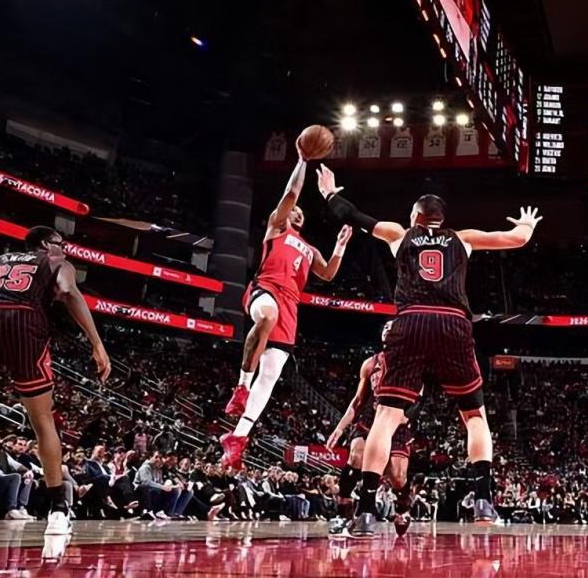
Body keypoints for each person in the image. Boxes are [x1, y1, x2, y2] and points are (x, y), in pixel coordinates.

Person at [316, 164, 542, 538]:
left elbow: (352, 215)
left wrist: (329, 192)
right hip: (453, 323)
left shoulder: (399, 234)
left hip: (410, 321)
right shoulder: (463, 238)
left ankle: (367, 511)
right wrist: (528, 224)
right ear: (441, 218)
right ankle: (483, 499)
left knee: (385, 417)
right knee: (475, 416)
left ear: (416, 217)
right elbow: (516, 240)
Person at [0, 226, 111, 543]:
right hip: (24, 320)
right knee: (42, 420)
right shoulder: (55, 261)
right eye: (61, 244)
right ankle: (58, 510)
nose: (65, 249)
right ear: (46, 244)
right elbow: (69, 293)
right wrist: (97, 344)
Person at [220, 137, 353, 468]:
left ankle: (237, 437)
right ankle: (241, 387)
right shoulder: (277, 227)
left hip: (291, 307)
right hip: (265, 288)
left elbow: (327, 273)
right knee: (266, 317)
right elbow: (291, 193)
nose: (296, 210)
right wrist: (302, 162)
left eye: (300, 211)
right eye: (293, 208)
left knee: (270, 376)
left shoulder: (309, 249)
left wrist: (339, 247)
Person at [326, 322, 418, 537]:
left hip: (398, 421)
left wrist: (409, 415)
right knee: (356, 455)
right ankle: (343, 512)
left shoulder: (412, 362)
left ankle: (402, 508)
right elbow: (358, 400)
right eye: (385, 327)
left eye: (393, 327)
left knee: (397, 476)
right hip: (371, 417)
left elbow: (421, 396)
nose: (388, 330)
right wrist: (340, 427)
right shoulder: (370, 363)